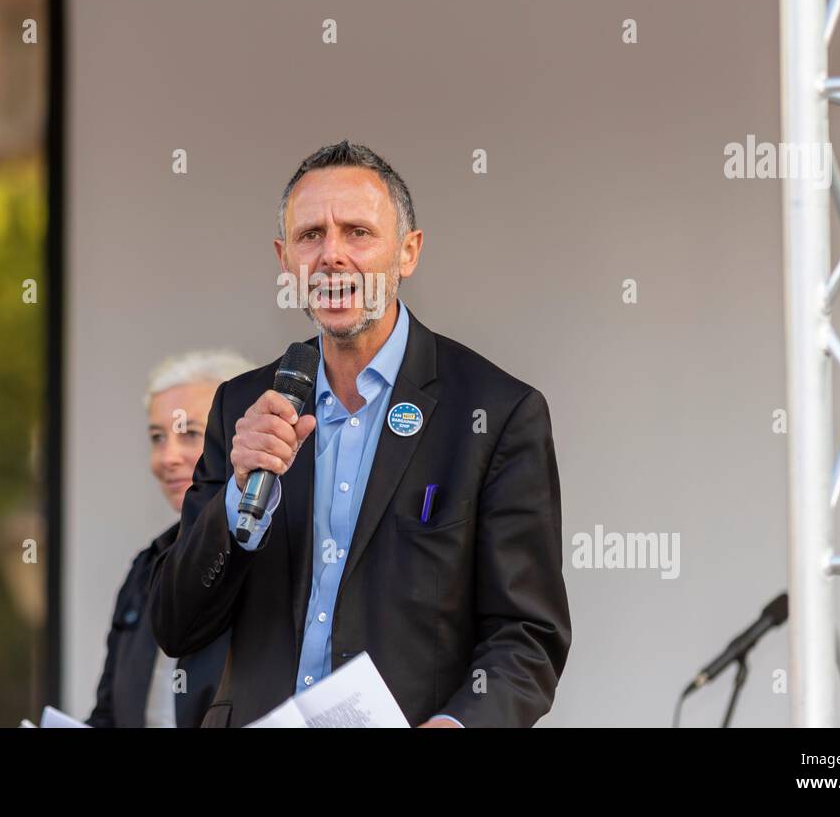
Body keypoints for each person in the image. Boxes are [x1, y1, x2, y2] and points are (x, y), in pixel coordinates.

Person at [149, 140, 571, 727]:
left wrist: (459, 725)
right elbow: (176, 624)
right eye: (310, 236)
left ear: (408, 252)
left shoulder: (496, 413)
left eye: (358, 232)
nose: (332, 256)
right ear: (284, 259)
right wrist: (234, 500)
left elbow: (527, 636)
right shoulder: (245, 407)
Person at [87, 349, 254, 727]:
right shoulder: (147, 566)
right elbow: (108, 714)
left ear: (247, 440)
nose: (168, 457)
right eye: (157, 437)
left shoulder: (275, 558)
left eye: (191, 434)